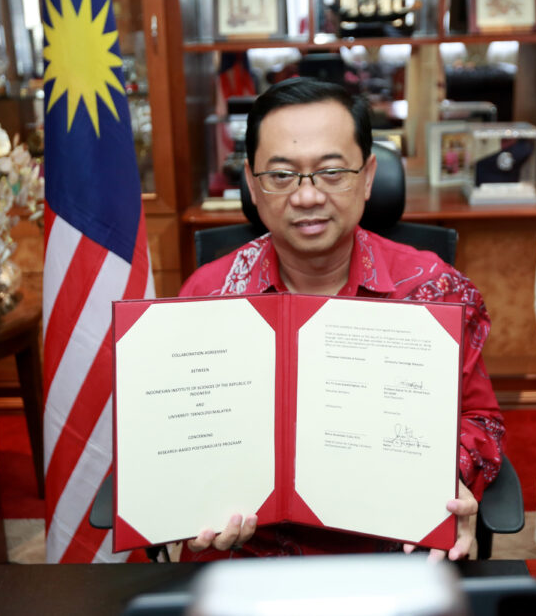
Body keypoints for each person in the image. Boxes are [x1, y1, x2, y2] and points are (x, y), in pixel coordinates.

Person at [176, 77, 505, 561]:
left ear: (368, 176)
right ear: (251, 182)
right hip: (244, 556)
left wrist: (442, 478)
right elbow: (181, 434)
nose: (308, 197)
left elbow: (481, 421)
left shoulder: (431, 292)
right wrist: (186, 498)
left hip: (391, 551)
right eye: (282, 175)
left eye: (332, 172)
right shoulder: (208, 296)